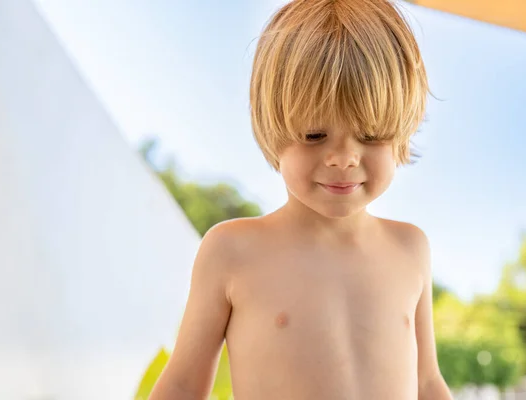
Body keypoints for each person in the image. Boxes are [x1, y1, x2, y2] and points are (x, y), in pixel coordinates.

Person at [149, 0, 452, 398]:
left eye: (371, 135)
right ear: (273, 129)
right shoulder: (232, 251)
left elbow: (427, 381)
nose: (344, 158)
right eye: (314, 135)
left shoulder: (410, 249)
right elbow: (184, 384)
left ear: (401, 131)